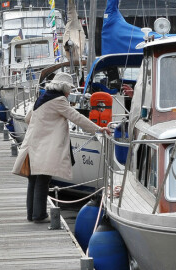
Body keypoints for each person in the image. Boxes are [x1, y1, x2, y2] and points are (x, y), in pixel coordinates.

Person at [12, 71, 111, 223]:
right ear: (64, 87)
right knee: (43, 178)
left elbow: (27, 118)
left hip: (32, 143)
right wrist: (98, 129)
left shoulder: (42, 97)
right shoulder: (59, 100)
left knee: (33, 179)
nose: (70, 91)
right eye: (70, 88)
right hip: (45, 146)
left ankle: (31, 214)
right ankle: (39, 215)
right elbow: (76, 117)